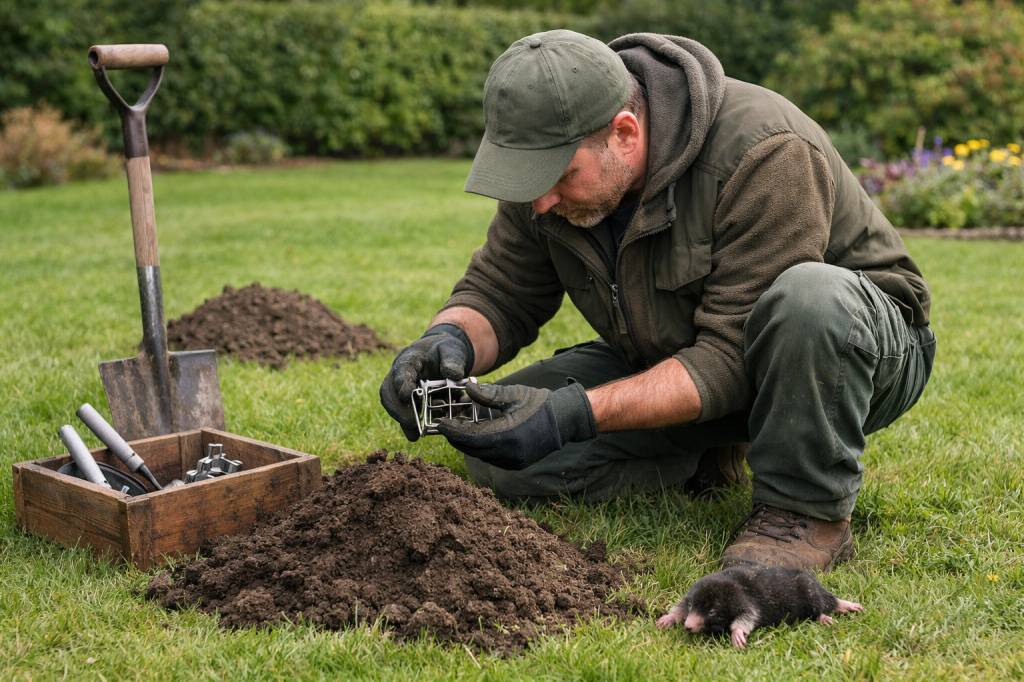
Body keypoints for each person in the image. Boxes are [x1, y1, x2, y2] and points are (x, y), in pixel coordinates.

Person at [379, 30, 935, 571]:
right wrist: (444, 341)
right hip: (675, 348)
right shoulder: (546, 179)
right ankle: (703, 455)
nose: (541, 201)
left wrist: (571, 415)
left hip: (846, 353)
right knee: (501, 457)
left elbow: (731, 355)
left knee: (810, 296)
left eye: (559, 176)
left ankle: (804, 514)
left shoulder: (766, 149)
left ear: (624, 132)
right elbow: (501, 289)